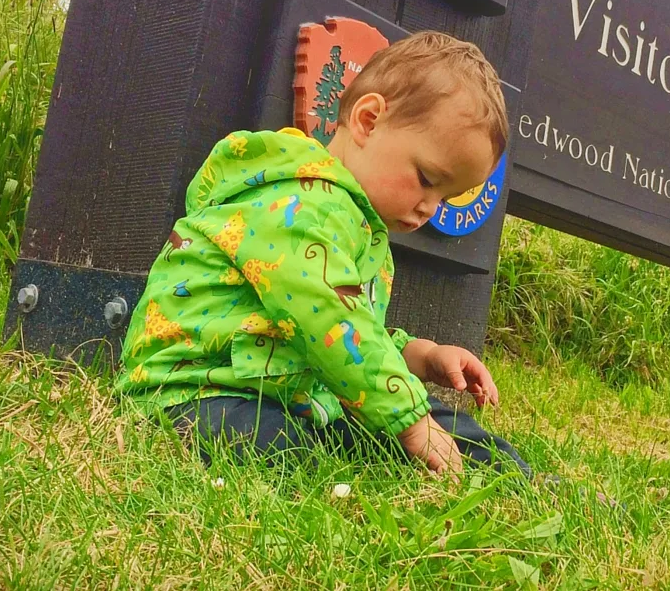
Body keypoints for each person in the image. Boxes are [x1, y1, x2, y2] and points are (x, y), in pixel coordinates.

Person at [114, 31, 529, 477]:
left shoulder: (362, 230)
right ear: (368, 120)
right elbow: (330, 321)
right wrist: (408, 421)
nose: (431, 208)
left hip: (290, 389)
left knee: (429, 417)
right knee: (295, 450)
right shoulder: (298, 205)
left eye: (448, 198)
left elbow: (349, 337)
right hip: (197, 390)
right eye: (428, 179)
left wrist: (422, 357)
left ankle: (518, 478)